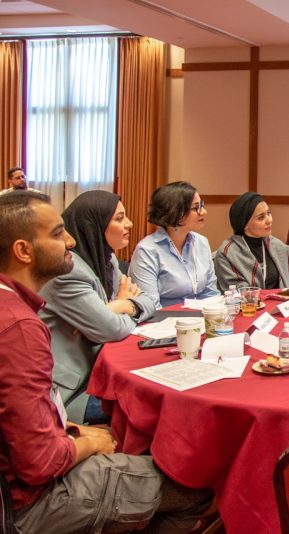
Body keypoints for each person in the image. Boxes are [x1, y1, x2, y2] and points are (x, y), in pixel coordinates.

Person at [0, 191, 213, 533]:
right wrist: (86, 443)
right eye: (57, 234)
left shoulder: (12, 306)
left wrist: (72, 433)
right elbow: (40, 463)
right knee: (194, 487)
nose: (70, 240)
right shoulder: (20, 327)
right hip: (32, 502)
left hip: (30, 472)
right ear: (23, 251)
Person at [39, 190, 156, 424]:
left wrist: (117, 306)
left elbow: (149, 300)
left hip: (100, 371)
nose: (130, 223)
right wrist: (115, 310)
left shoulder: (107, 259)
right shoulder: (67, 271)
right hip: (75, 391)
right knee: (152, 407)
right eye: (119, 218)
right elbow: (111, 329)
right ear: (94, 225)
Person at [129, 181, 219, 308]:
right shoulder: (147, 250)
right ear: (175, 212)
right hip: (164, 323)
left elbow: (210, 294)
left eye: (202, 205)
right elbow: (150, 306)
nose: (203, 212)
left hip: (201, 320)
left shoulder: (201, 243)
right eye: (196, 208)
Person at [214, 191, 289, 290]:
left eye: (269, 213)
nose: (269, 220)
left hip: (279, 304)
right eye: (261, 218)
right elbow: (237, 293)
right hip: (247, 305)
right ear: (244, 224)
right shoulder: (227, 254)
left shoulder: (278, 247)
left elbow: (287, 288)